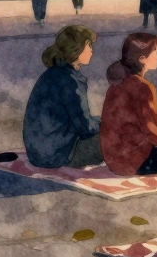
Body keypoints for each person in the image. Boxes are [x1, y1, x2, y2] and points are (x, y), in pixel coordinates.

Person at [100, 33, 157, 176]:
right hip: (137, 161)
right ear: (142, 59)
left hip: (115, 161)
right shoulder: (142, 87)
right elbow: (155, 132)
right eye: (156, 52)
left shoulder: (116, 85)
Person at [23, 25, 102, 168]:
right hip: (59, 155)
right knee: (116, 139)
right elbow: (85, 128)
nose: (91, 50)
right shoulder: (71, 81)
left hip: (37, 153)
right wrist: (105, 124)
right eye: (88, 46)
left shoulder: (53, 73)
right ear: (76, 49)